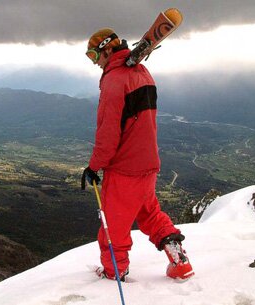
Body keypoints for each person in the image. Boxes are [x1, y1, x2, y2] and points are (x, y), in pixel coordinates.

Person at [81, 28, 194, 281]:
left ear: (108, 49)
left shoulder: (114, 81)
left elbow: (108, 133)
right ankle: (179, 260)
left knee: (114, 227)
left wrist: (94, 166)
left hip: (125, 168)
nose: (94, 62)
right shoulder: (142, 73)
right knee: (150, 214)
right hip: (148, 164)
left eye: (93, 55)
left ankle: (114, 272)